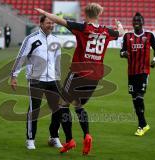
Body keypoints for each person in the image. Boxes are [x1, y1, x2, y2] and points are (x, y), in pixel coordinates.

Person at [36, 3, 124, 155]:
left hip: (78, 73)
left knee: (62, 105)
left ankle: (70, 140)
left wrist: (45, 13)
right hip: (95, 76)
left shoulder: (83, 28)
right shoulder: (106, 31)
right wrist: (119, 25)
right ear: (98, 15)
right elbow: (121, 33)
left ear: (86, 14)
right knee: (78, 106)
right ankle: (87, 135)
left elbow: (60, 20)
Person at [10, 15, 63, 150]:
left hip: (53, 79)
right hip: (36, 79)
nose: (51, 25)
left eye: (52, 23)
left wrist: (58, 77)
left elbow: (57, 60)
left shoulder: (56, 40)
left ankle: (54, 137)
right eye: (48, 23)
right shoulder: (31, 39)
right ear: (40, 24)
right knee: (35, 109)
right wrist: (14, 76)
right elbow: (21, 57)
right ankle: (30, 139)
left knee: (58, 109)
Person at [120, 12, 155, 136]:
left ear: (143, 22)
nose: (136, 22)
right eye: (134, 21)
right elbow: (121, 52)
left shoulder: (149, 35)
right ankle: (143, 124)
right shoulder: (127, 36)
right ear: (132, 23)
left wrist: (154, 59)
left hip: (143, 71)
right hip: (131, 72)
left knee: (139, 96)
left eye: (138, 21)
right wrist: (124, 54)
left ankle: (141, 125)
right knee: (134, 99)